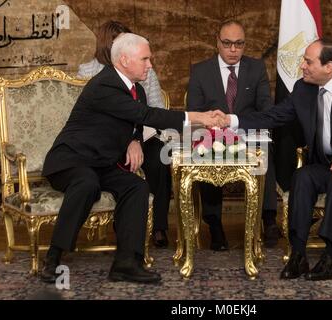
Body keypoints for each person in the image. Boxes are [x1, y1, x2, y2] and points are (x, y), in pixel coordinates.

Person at [40, 33, 222, 284]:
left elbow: (135, 120)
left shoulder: (136, 90)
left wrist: (134, 140)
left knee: (136, 186)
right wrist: (199, 117)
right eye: (145, 59)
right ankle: (53, 258)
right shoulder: (105, 85)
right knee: (86, 183)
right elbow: (144, 114)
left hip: (101, 163)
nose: (150, 65)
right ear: (124, 60)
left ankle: (126, 262)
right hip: (71, 161)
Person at [221, 38, 332, 280]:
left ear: (329, 66)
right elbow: (273, 116)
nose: (302, 66)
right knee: (302, 176)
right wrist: (230, 121)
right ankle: (298, 254)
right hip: (328, 164)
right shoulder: (303, 89)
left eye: (308, 61)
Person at [186, 20, 280, 250]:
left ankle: (268, 219)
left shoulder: (256, 68)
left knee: (265, 151)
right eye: (227, 44)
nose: (233, 50)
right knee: (205, 154)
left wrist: (238, 127)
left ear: (245, 44)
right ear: (217, 42)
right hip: (212, 136)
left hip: (247, 134)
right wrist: (213, 127)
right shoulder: (200, 71)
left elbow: (267, 112)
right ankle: (215, 224)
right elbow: (194, 113)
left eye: (239, 44)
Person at [78, 21, 170, 248]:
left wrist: (137, 139)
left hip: (143, 136)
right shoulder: (87, 72)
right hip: (107, 141)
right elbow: (89, 119)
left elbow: (157, 112)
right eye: (118, 41)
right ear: (106, 45)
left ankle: (158, 226)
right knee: (118, 167)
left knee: (160, 157)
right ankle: (124, 228)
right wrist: (126, 141)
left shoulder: (144, 70)